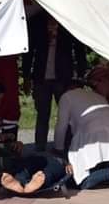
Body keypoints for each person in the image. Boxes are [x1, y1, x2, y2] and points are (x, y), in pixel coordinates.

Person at [22, 14, 87, 152]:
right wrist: (26, 76)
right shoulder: (37, 22)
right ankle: (40, 147)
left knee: (67, 113)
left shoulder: (67, 20)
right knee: (42, 113)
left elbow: (79, 48)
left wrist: (80, 75)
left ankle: (67, 146)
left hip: (63, 76)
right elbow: (28, 51)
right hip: (41, 76)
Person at [54, 83, 109, 190]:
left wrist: (58, 149)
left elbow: (61, 126)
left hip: (93, 133)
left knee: (80, 180)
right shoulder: (97, 95)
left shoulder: (66, 97)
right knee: (100, 160)